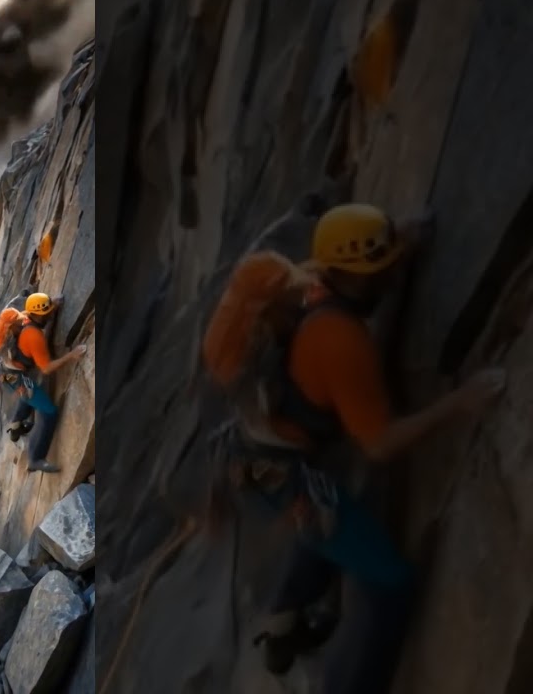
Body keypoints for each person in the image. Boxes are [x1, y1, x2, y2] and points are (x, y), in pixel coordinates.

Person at [202, 203, 506, 694]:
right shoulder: (340, 339)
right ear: (358, 276)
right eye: (380, 269)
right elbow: (381, 443)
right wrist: (460, 404)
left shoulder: (307, 287)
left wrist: (402, 243)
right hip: (283, 479)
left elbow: (362, 269)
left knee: (334, 518)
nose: (387, 276)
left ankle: (283, 622)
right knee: (391, 582)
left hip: (260, 462)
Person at [0, 291, 87, 473]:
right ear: (37, 315)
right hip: (16, 379)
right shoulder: (32, 336)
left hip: (7, 372)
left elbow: (40, 308)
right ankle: (35, 458)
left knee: (30, 394)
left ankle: (16, 425)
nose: (50, 314)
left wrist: (52, 303)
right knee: (48, 411)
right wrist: (71, 355)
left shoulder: (23, 318)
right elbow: (47, 368)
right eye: (47, 313)